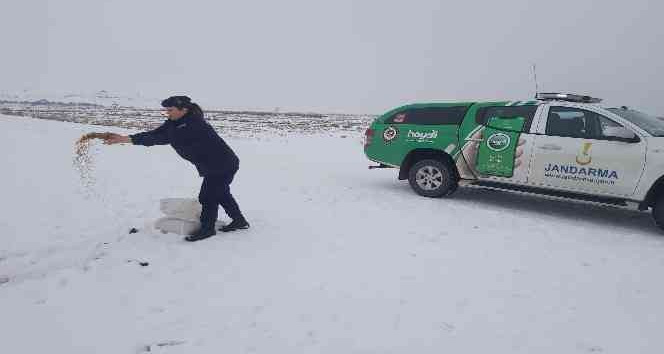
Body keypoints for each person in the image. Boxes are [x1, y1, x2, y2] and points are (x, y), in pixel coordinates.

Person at [104, 95, 249, 241]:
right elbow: (156, 134)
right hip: (214, 165)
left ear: (183, 110)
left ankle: (207, 229)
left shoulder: (193, 125)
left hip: (222, 165)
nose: (167, 113)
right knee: (221, 193)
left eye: (170, 110)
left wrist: (128, 140)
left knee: (208, 196)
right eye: (166, 110)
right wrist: (124, 138)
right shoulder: (175, 123)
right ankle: (239, 221)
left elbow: (158, 138)